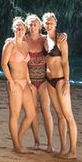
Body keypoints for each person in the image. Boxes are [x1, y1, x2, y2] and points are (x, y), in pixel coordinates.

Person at [42, 11, 78, 158]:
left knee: (68, 115)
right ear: (44, 25)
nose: (49, 24)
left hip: (61, 80)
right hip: (49, 81)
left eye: (51, 22)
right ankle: (63, 149)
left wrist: (67, 82)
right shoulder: (43, 40)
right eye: (47, 22)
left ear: (56, 23)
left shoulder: (61, 39)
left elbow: (65, 62)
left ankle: (73, 151)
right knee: (59, 115)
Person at [20, 13, 56, 151]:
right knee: (33, 111)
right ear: (27, 27)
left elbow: (57, 38)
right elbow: (14, 42)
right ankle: (36, 142)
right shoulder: (24, 40)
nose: (33, 26)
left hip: (44, 81)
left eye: (35, 23)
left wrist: (64, 35)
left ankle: (50, 144)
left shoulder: (45, 39)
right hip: (30, 81)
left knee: (46, 110)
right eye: (30, 24)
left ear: (40, 25)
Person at [0, 17, 36, 153]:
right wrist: (11, 82)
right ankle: (16, 145)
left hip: (25, 83)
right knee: (14, 115)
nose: (20, 30)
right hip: (14, 82)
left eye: (22, 28)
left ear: (25, 29)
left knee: (31, 114)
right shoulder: (9, 45)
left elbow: (26, 65)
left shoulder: (26, 45)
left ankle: (18, 140)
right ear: (13, 29)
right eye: (17, 28)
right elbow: (3, 64)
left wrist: (30, 81)